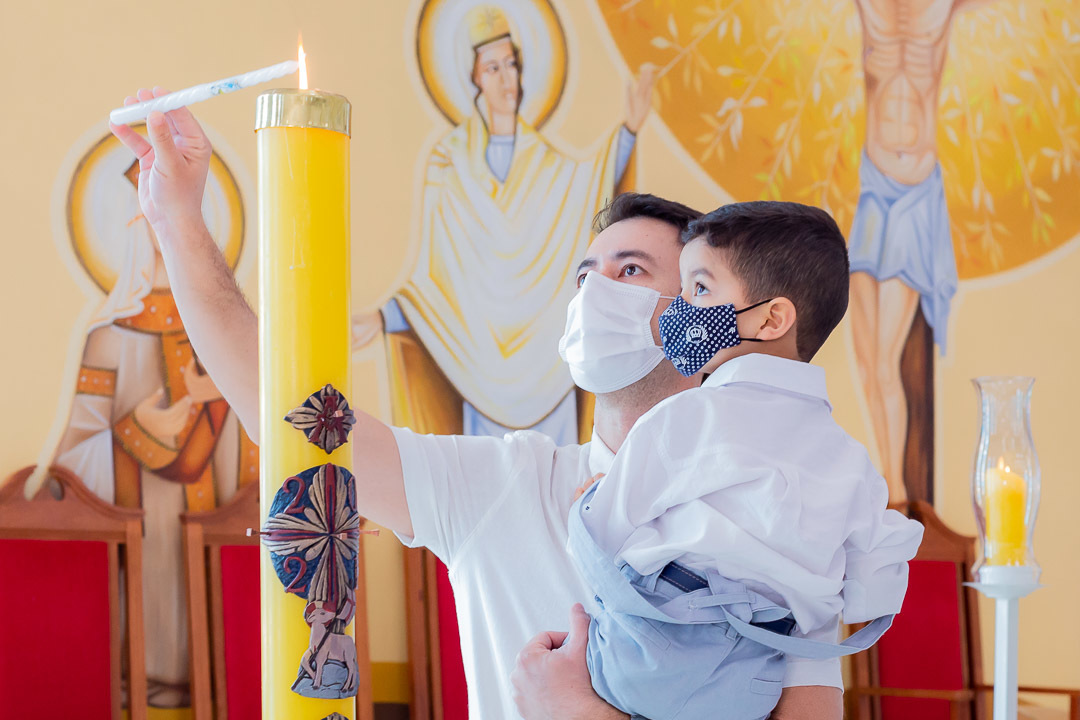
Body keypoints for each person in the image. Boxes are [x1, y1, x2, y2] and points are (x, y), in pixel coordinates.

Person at [109, 90, 845, 718]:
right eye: (585, 274)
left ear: (704, 314)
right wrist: (178, 221)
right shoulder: (505, 485)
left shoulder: (777, 507)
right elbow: (297, 418)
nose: (595, 294)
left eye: (630, 270)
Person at [555, 202, 923, 719]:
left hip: (644, 658)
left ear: (772, 319)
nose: (681, 310)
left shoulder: (688, 417)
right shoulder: (850, 457)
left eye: (699, 290)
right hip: (756, 680)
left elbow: (608, 529)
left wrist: (585, 503)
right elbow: (874, 580)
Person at [353, 4, 654, 446]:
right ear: (474, 77)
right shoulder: (448, 163)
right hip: (479, 369)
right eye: (492, 67)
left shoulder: (547, 164)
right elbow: (438, 275)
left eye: (511, 64)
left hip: (546, 366)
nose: (506, 78)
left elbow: (590, 188)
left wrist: (628, 130)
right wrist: (386, 317)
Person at [42, 154, 257, 708]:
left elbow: (266, 445)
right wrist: (134, 430)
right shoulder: (109, 340)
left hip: (224, 569)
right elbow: (69, 469)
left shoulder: (232, 337)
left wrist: (220, 401)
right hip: (141, 565)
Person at [848, 0, 987, 501]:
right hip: (872, 192)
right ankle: (888, 482)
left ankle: (898, 490)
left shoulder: (940, 12)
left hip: (913, 196)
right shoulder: (874, 12)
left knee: (886, 359)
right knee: (866, 359)